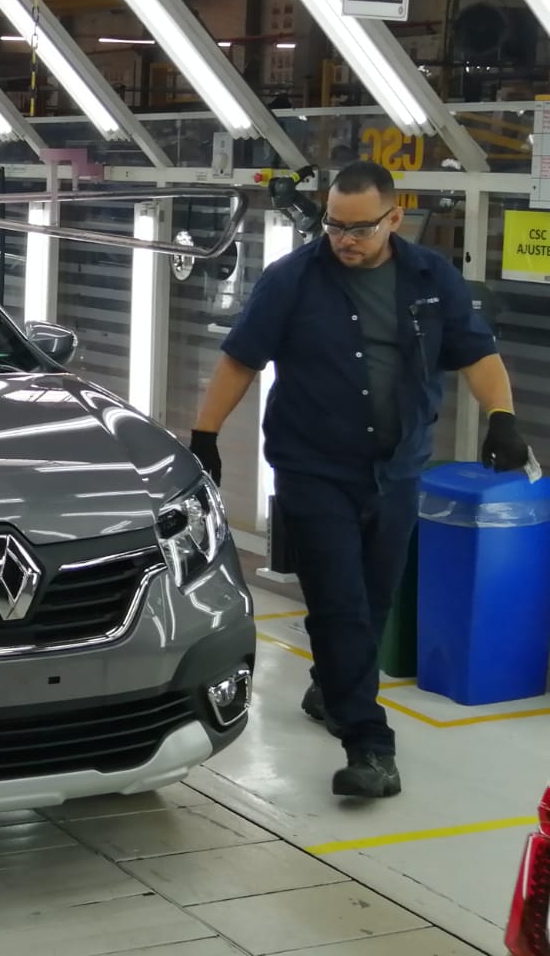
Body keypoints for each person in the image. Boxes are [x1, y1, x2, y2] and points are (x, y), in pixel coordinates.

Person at [189, 161, 531, 799]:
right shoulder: (292, 279)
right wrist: (204, 437)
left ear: (394, 218)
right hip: (313, 468)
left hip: (397, 469)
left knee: (373, 598)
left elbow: (478, 352)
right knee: (340, 603)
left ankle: (332, 687)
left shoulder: (430, 278)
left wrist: (502, 418)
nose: (343, 239)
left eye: (359, 229)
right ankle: (370, 746)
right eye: (334, 225)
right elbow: (241, 359)